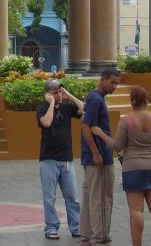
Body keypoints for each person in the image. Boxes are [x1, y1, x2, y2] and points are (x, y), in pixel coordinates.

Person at [113, 85, 151, 246]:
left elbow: (117, 146)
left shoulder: (126, 121)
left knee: (136, 210)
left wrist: (102, 136)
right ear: (147, 100)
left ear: (132, 101)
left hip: (133, 168)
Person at [37, 79, 87, 240]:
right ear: (47, 95)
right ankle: (51, 227)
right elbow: (46, 123)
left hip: (66, 160)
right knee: (49, 197)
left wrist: (69, 96)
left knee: (72, 196)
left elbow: (85, 109)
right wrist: (51, 104)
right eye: (54, 93)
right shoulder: (42, 108)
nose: (58, 95)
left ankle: (76, 226)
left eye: (59, 92)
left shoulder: (67, 108)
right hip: (48, 160)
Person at [80, 67, 120, 246]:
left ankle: (86, 238)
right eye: (112, 82)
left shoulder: (94, 98)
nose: (115, 86)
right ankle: (100, 239)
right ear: (102, 79)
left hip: (91, 158)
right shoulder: (96, 100)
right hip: (99, 159)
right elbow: (86, 127)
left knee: (90, 200)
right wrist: (96, 152)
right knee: (102, 200)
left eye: (117, 83)